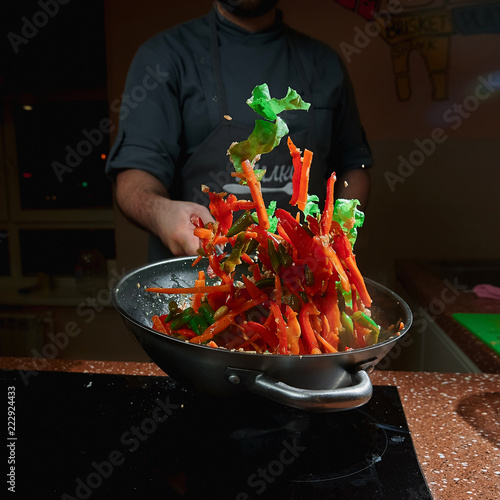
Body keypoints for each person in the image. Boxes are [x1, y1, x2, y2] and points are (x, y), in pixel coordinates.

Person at [106, 0, 373, 262]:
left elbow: (354, 167)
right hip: (197, 282)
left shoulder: (325, 63)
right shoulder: (163, 57)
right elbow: (133, 178)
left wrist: (338, 235)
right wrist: (162, 212)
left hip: (304, 285)